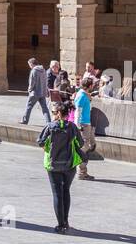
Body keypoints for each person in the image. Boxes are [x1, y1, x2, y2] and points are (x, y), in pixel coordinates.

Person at [37, 100, 83, 233]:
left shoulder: (50, 126)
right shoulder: (73, 127)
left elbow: (40, 142)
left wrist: (47, 146)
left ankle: (60, 224)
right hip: (69, 164)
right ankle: (66, 222)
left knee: (57, 194)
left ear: (57, 113)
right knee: (66, 191)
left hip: (53, 164)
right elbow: (80, 143)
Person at [73, 77, 97, 180]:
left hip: (87, 123)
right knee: (84, 148)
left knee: (92, 145)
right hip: (83, 125)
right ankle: (81, 172)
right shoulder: (82, 95)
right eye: (93, 85)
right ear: (90, 86)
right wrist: (77, 126)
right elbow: (78, 111)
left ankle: (81, 168)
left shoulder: (84, 94)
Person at [21, 57, 51, 125]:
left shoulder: (34, 71)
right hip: (42, 92)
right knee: (45, 108)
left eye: (29, 64)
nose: (29, 66)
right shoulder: (43, 70)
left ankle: (25, 120)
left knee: (29, 106)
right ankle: (48, 122)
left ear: (32, 64)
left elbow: (32, 82)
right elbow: (46, 81)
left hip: (35, 93)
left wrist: (29, 89)